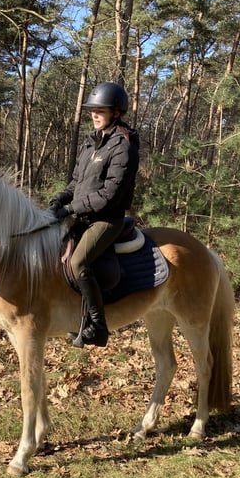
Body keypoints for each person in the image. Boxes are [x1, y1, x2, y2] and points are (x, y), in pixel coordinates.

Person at [49, 82, 140, 347]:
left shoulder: (123, 146)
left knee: (78, 264)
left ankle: (99, 326)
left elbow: (108, 195)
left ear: (116, 112)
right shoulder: (92, 144)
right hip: (83, 216)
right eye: (92, 110)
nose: (94, 114)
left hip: (106, 219)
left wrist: (70, 208)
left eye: (100, 110)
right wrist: (59, 200)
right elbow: (75, 183)